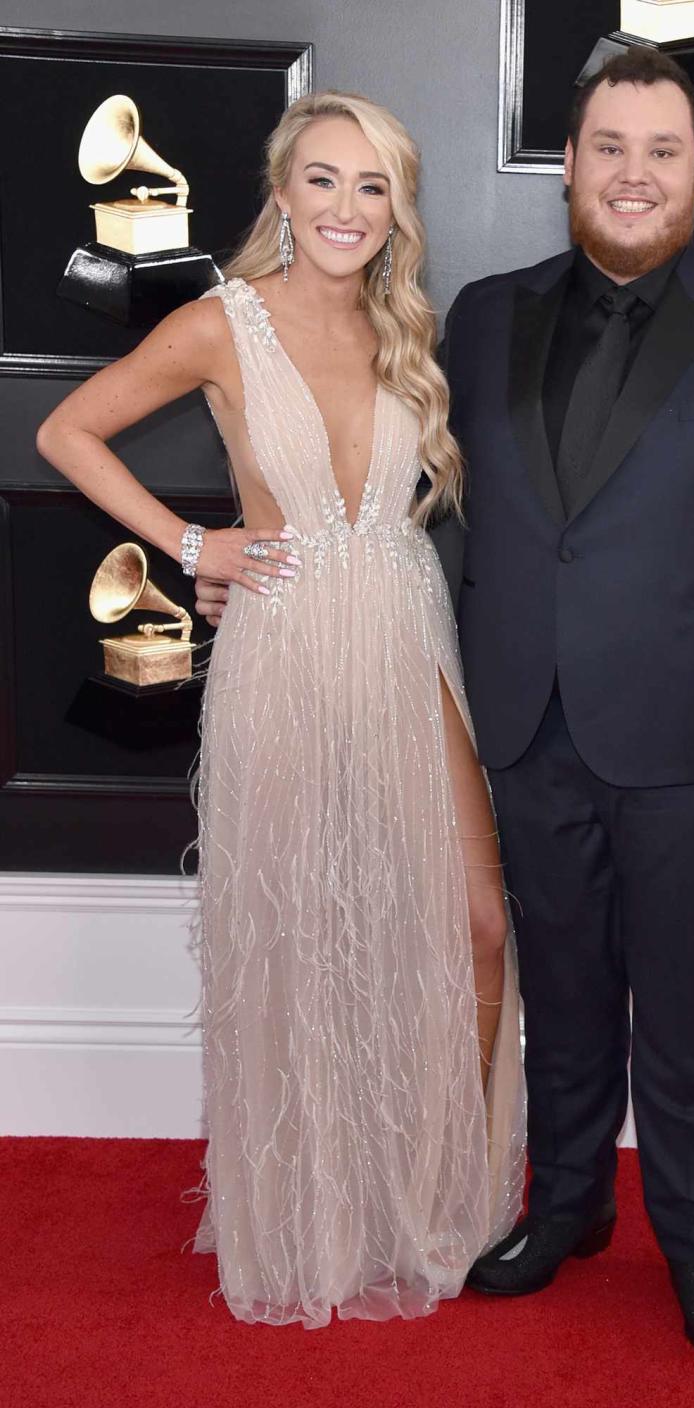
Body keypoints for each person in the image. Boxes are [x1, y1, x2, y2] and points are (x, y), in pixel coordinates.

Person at [197, 52, 694, 1355]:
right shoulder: (485, 316)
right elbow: (372, 479)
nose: (632, 173)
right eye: (607, 147)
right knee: (558, 989)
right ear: (568, 166)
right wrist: (244, 566)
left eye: (660, 150)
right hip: (525, 721)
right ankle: (560, 1207)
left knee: (680, 1002)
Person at [36, 91, 524, 1329]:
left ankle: (446, 1198)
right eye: (323, 180)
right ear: (282, 192)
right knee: (309, 927)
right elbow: (67, 430)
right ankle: (316, 1211)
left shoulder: (407, 325)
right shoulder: (221, 323)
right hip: (290, 645)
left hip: (412, 638)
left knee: (472, 922)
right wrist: (194, 540)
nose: (347, 209)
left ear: (397, 207)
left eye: (373, 186)